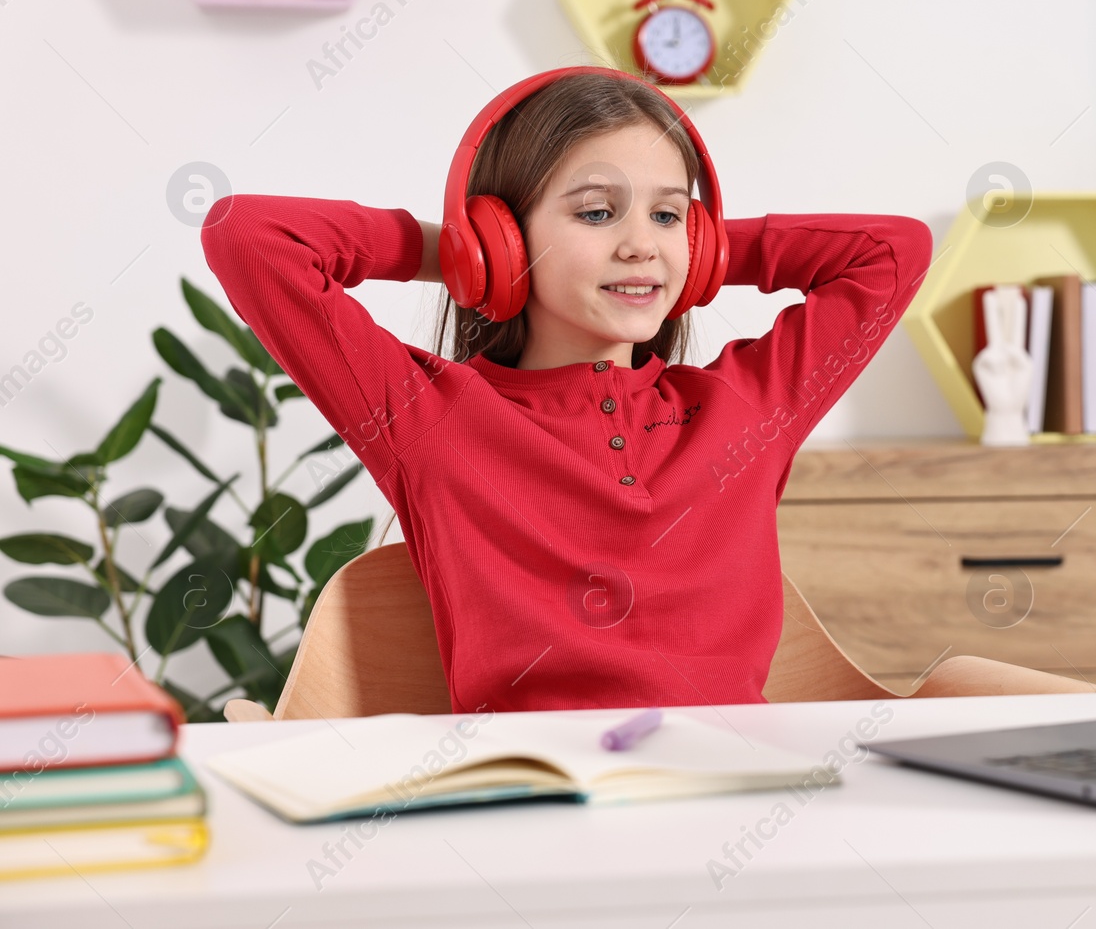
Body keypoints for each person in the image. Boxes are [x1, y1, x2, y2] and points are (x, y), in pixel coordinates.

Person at [200, 69, 933, 712]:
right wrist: (461, 250)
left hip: (734, 793)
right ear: (505, 238)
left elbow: (894, 250)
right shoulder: (431, 417)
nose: (641, 243)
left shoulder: (745, 406)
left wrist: (705, 252)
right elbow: (249, 237)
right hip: (539, 806)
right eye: (596, 211)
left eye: (668, 214)